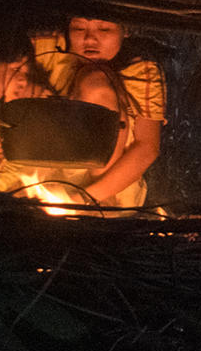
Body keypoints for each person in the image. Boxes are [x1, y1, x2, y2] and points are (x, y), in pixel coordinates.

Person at [33, 15, 167, 208]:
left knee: (96, 80)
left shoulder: (141, 70)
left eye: (104, 30)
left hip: (109, 192)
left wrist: (82, 199)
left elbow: (147, 148)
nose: (89, 39)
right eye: (79, 29)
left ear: (125, 31)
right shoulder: (47, 49)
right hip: (45, 173)